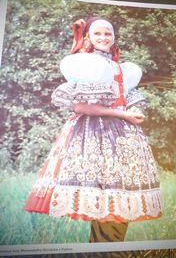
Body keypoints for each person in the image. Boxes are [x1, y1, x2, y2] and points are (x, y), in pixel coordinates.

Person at [23, 17, 163, 242]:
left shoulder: (122, 68)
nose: (103, 38)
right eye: (97, 33)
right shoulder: (85, 64)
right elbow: (80, 106)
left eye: (108, 33)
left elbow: (124, 98)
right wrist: (123, 114)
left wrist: (132, 109)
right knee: (103, 198)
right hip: (95, 136)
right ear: (88, 36)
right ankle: (100, 249)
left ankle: (107, 248)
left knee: (119, 197)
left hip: (124, 138)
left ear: (114, 37)